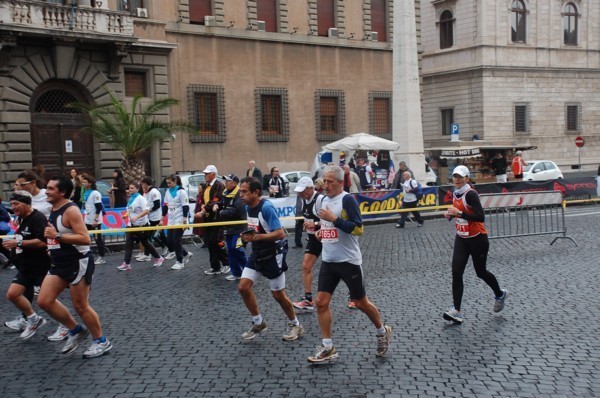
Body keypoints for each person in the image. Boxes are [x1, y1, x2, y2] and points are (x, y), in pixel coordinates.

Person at [307, 165, 391, 363]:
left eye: (329, 182)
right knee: (321, 302)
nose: (325, 185)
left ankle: (382, 331)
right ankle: (328, 347)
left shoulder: (347, 200)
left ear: (340, 182)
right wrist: (320, 229)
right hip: (329, 261)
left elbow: (358, 229)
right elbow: (330, 225)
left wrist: (334, 220)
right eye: (323, 181)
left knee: (360, 302)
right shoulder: (323, 200)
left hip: (349, 262)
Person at [38, 175, 112, 358]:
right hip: (59, 262)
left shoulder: (71, 211)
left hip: (78, 261)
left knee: (80, 306)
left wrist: (58, 236)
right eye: (46, 188)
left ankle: (101, 341)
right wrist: (51, 245)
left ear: (62, 192)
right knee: (44, 301)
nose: (46, 191)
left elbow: (85, 238)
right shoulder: (53, 208)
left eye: (51, 188)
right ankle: (76, 330)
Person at [237, 177, 304, 342]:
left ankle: (296, 324)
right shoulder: (248, 207)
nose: (241, 195)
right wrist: (247, 236)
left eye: (244, 192)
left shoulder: (266, 207)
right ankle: (258, 322)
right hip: (257, 253)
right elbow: (256, 228)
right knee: (243, 287)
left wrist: (257, 237)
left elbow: (280, 233)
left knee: (278, 295)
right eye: (240, 191)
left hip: (273, 255)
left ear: (256, 192)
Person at [442, 165, 508, 324]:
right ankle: (456, 311)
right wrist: (451, 215)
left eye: (460, 177)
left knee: (481, 272)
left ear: (466, 178)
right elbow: (460, 214)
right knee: (456, 271)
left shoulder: (470, 194)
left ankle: (500, 294)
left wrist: (459, 213)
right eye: (455, 177)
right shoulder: (455, 193)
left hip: (477, 238)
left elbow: (480, 216)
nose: (456, 179)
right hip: (462, 238)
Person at [2, 191, 51, 340]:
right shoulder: (22, 218)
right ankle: (34, 319)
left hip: (40, 266)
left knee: (49, 301)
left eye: (16, 204)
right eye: (11, 204)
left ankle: (67, 326)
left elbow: (44, 241)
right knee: (13, 294)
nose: (13, 207)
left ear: (27, 204)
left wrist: (18, 242)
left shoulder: (37, 218)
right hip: (26, 266)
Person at [292, 177, 325, 312]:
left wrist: (315, 224)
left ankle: (354, 297)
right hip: (313, 238)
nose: (300, 194)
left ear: (311, 189)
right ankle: (308, 300)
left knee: (340, 270)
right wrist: (308, 226)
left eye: (303, 191)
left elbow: (332, 220)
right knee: (306, 266)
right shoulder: (304, 199)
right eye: (299, 192)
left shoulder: (320, 200)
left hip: (327, 239)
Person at [117, 182, 164, 271]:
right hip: (131, 225)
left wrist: (137, 217)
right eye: (129, 188)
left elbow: (146, 210)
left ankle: (158, 257)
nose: (129, 190)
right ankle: (127, 263)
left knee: (145, 242)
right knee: (129, 243)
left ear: (137, 189)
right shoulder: (131, 198)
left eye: (132, 188)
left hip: (141, 225)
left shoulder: (140, 198)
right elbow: (131, 209)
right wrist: (126, 215)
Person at [195, 165, 229, 275]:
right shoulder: (206, 186)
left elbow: (215, 200)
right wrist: (202, 207)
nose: (205, 175)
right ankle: (215, 266)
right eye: (205, 173)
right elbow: (203, 200)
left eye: (207, 173)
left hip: (216, 218)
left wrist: (203, 211)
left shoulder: (218, 185)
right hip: (208, 218)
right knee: (209, 242)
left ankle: (226, 263)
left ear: (213, 174)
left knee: (217, 241)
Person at [215, 174, 248, 281]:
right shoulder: (226, 193)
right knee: (230, 250)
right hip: (229, 227)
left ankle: (249, 270)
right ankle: (236, 273)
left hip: (239, 227)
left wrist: (222, 212)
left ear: (234, 183)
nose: (225, 183)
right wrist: (217, 204)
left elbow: (238, 211)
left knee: (236, 248)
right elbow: (223, 203)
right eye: (225, 181)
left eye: (228, 181)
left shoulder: (239, 194)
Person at [162, 174, 193, 270]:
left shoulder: (182, 192)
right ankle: (186, 254)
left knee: (176, 239)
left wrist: (184, 218)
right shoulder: (167, 192)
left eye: (170, 183)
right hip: (171, 219)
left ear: (175, 181)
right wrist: (162, 217)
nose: (168, 185)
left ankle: (180, 261)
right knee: (170, 240)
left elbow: (185, 206)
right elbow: (165, 205)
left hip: (180, 218)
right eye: (167, 183)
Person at [138, 176, 170, 262]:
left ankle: (148, 254)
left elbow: (157, 204)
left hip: (156, 217)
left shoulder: (154, 192)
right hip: (149, 218)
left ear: (145, 183)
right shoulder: (146, 193)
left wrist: (149, 210)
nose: (141, 186)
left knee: (150, 236)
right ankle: (168, 248)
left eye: (142, 184)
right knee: (156, 236)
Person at [80, 174, 106, 265]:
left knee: (98, 239)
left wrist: (95, 220)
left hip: (95, 221)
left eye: (85, 182)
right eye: (82, 182)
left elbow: (98, 207)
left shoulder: (95, 193)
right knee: (85, 237)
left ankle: (101, 257)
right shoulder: (86, 193)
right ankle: (86, 254)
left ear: (90, 183)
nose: (83, 184)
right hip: (87, 219)